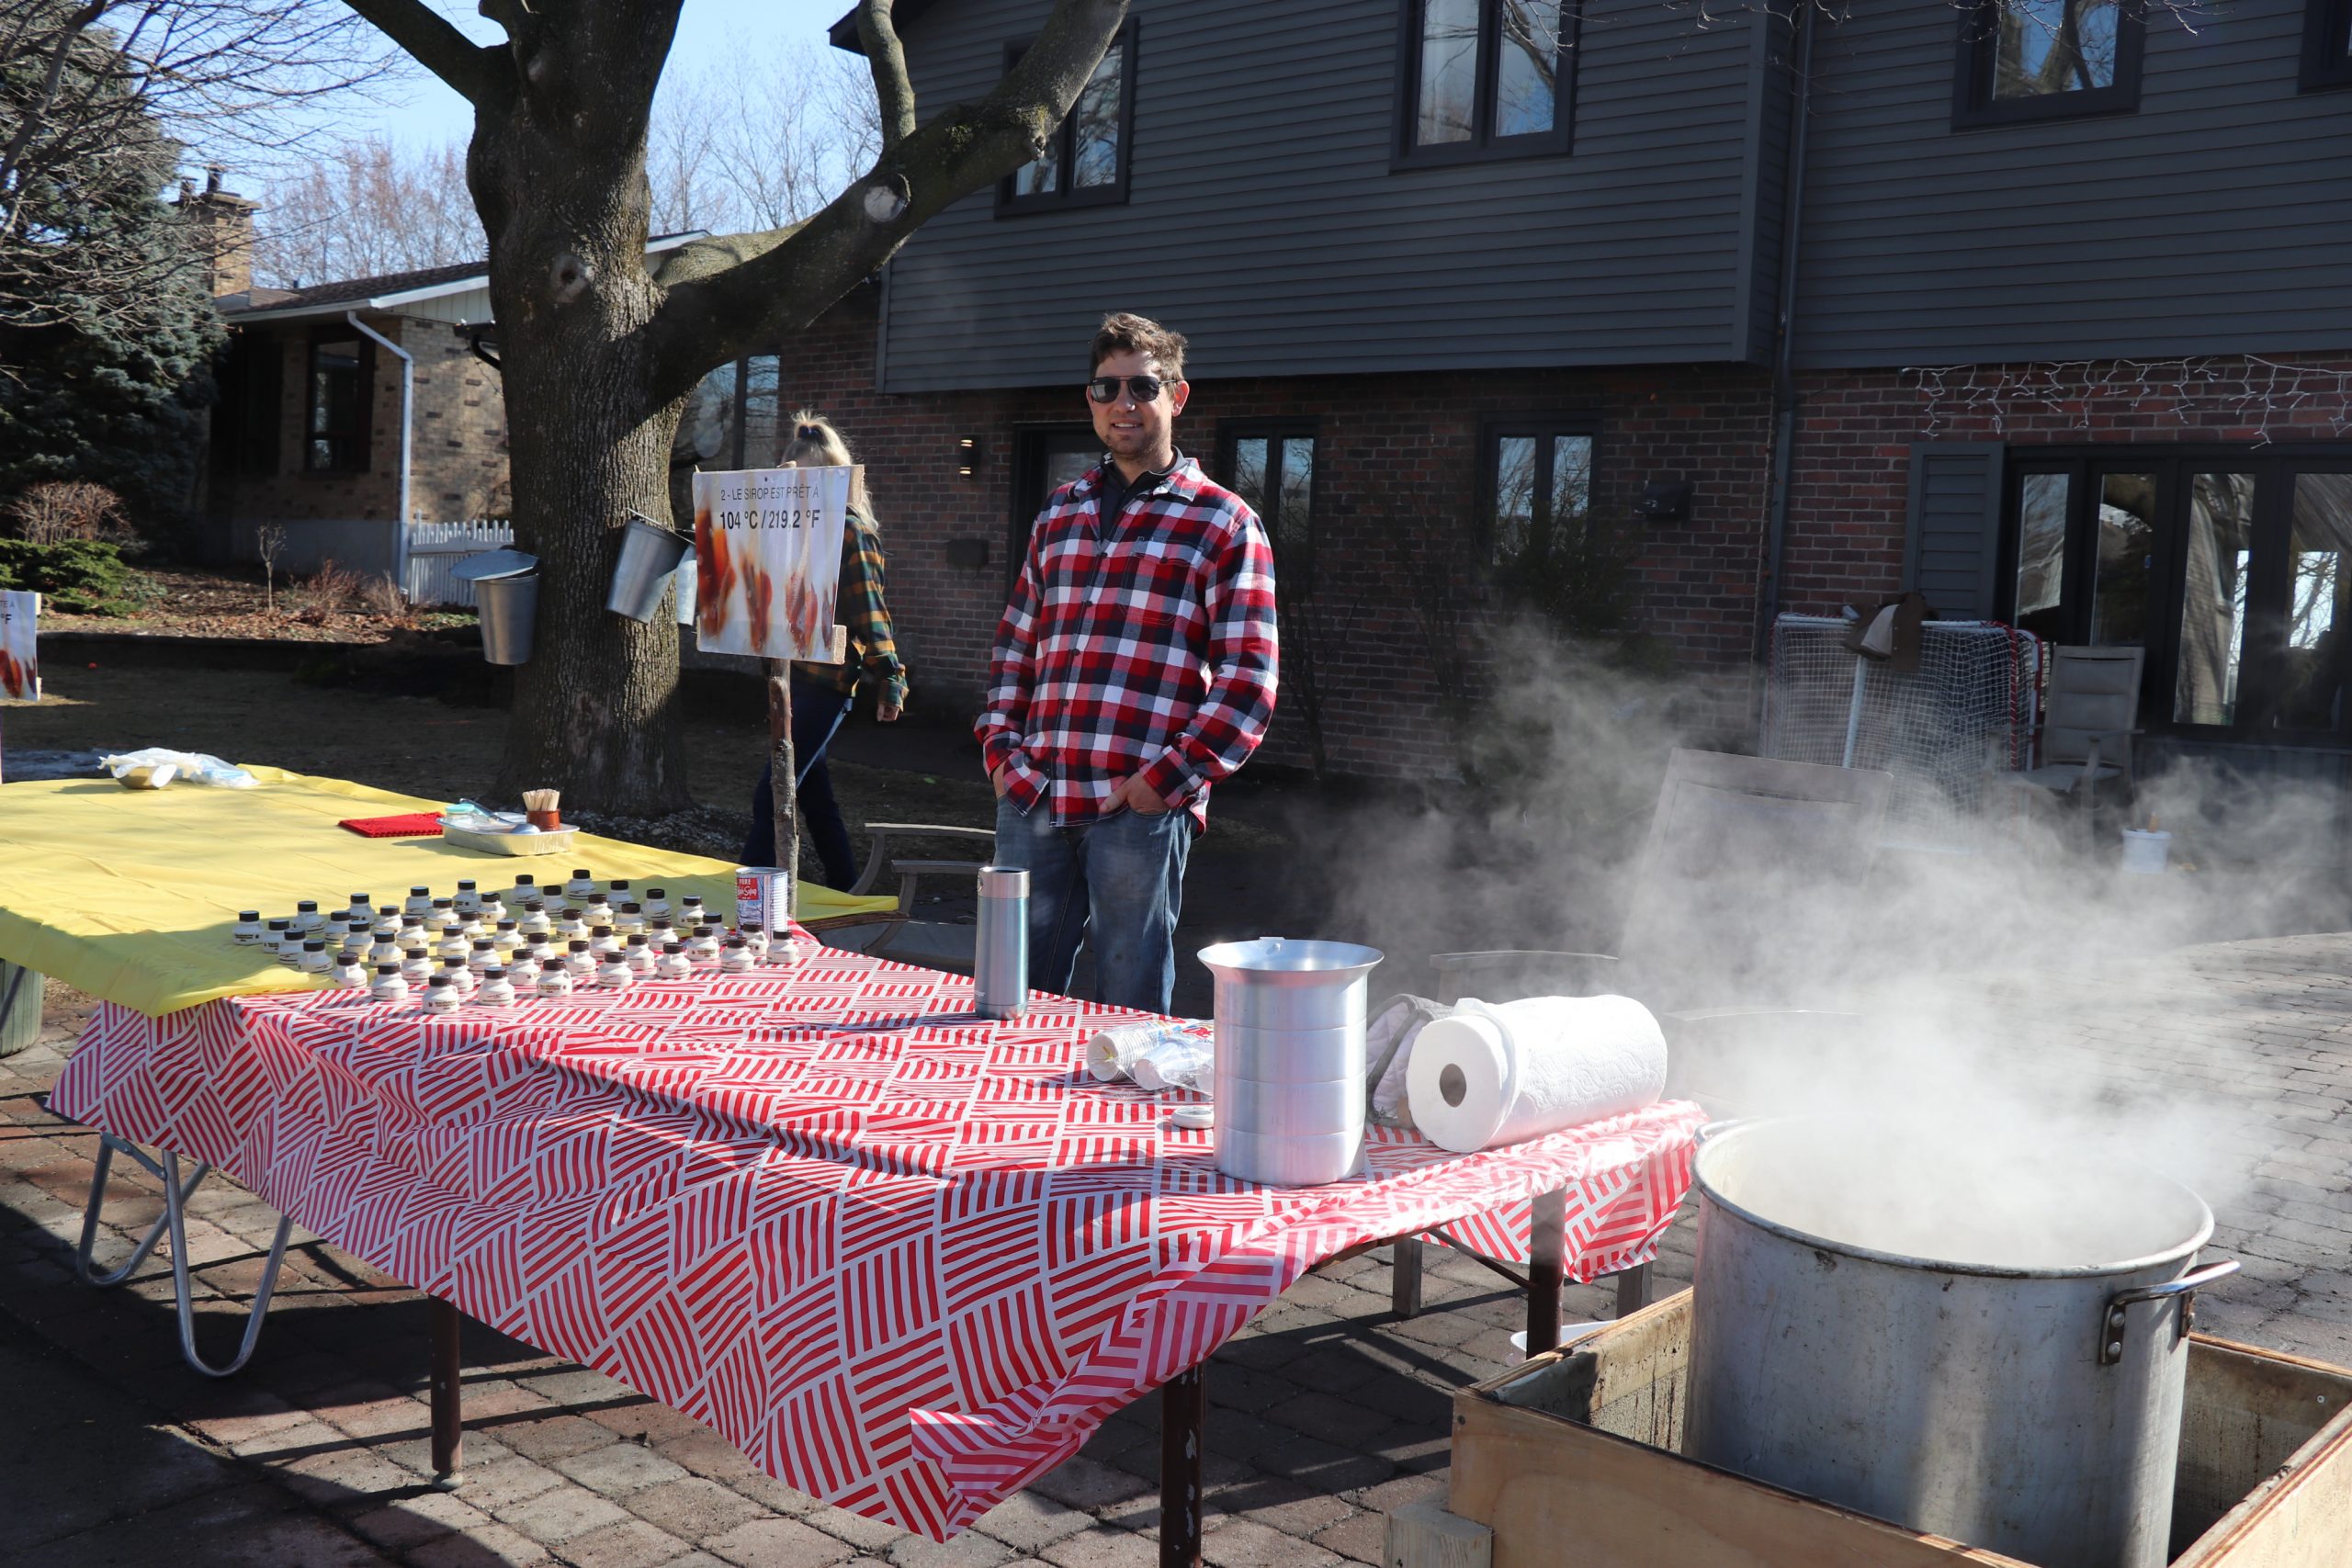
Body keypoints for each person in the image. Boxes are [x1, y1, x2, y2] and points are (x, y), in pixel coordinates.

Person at [976, 312, 1279, 1014]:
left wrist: (1162, 783)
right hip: (1034, 794)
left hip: (1137, 808)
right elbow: (1015, 648)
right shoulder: (1059, 514)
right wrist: (1000, 754)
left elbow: (1248, 683)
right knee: (1007, 995)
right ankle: (1003, 1120)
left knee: (1129, 1005)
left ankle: (1117, 1128)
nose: (1123, 403)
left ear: (1177, 396)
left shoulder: (1224, 522)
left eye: (1143, 385)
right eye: (1104, 388)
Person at [740, 413, 909, 888]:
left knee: (771, 795)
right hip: (787, 680)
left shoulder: (849, 531)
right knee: (814, 796)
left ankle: (749, 906)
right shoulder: (784, 528)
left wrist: (890, 678)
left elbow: (869, 611)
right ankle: (846, 889)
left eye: (809, 479)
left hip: (825, 684)